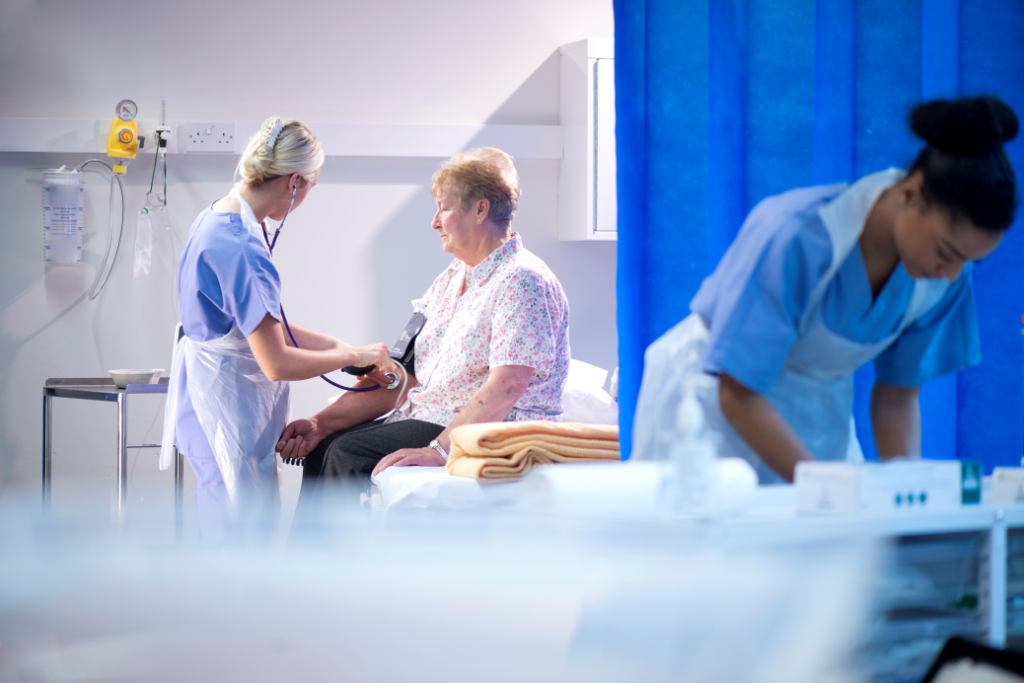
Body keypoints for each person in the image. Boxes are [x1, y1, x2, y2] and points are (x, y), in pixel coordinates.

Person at [634, 96, 1019, 484]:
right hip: (709, 404)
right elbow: (737, 390)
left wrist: (909, 498)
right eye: (946, 252)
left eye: (969, 261)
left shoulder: (943, 279)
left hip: (816, 416)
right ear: (910, 193)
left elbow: (896, 398)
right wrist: (823, 490)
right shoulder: (795, 234)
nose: (951, 274)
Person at [276, 147, 570, 495]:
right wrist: (319, 424)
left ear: (480, 210)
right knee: (325, 448)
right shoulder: (449, 281)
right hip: (431, 416)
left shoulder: (522, 280)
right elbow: (405, 375)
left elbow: (507, 387)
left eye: (444, 208)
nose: (434, 221)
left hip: (496, 431)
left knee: (347, 455)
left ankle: (333, 552)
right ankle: (310, 552)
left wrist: (440, 450)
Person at [160, 117, 398, 534]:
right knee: (239, 538)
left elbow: (260, 326)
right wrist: (351, 355)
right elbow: (275, 361)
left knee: (221, 522)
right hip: (229, 405)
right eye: (311, 186)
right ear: (294, 183)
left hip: (207, 398)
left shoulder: (215, 219)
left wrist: (341, 349)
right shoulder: (242, 249)